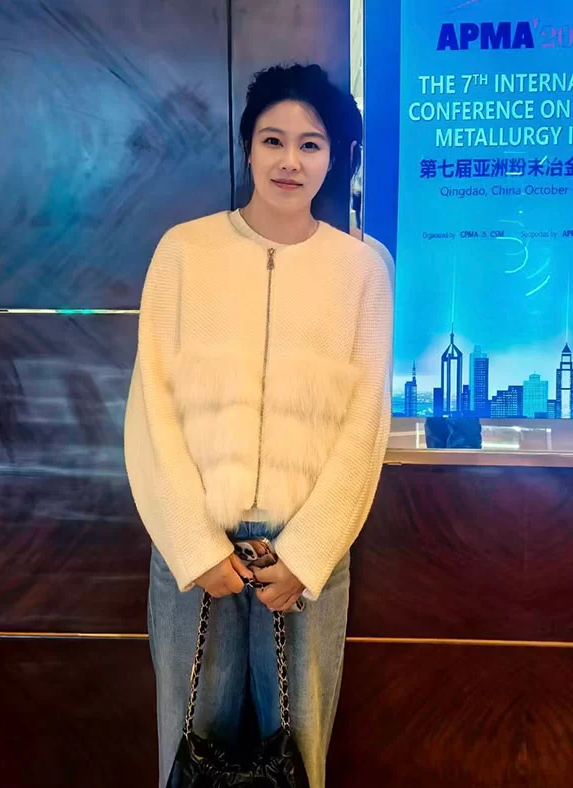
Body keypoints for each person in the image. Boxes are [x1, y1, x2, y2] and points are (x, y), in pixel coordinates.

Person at [124, 63, 393, 788]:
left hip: (303, 556)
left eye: (311, 144)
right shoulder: (185, 252)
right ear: (248, 148)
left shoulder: (362, 270)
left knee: (298, 763)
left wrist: (307, 553)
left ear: (336, 157)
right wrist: (191, 543)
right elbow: (150, 407)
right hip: (195, 552)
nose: (289, 160)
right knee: (189, 756)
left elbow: (365, 423)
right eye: (273, 140)